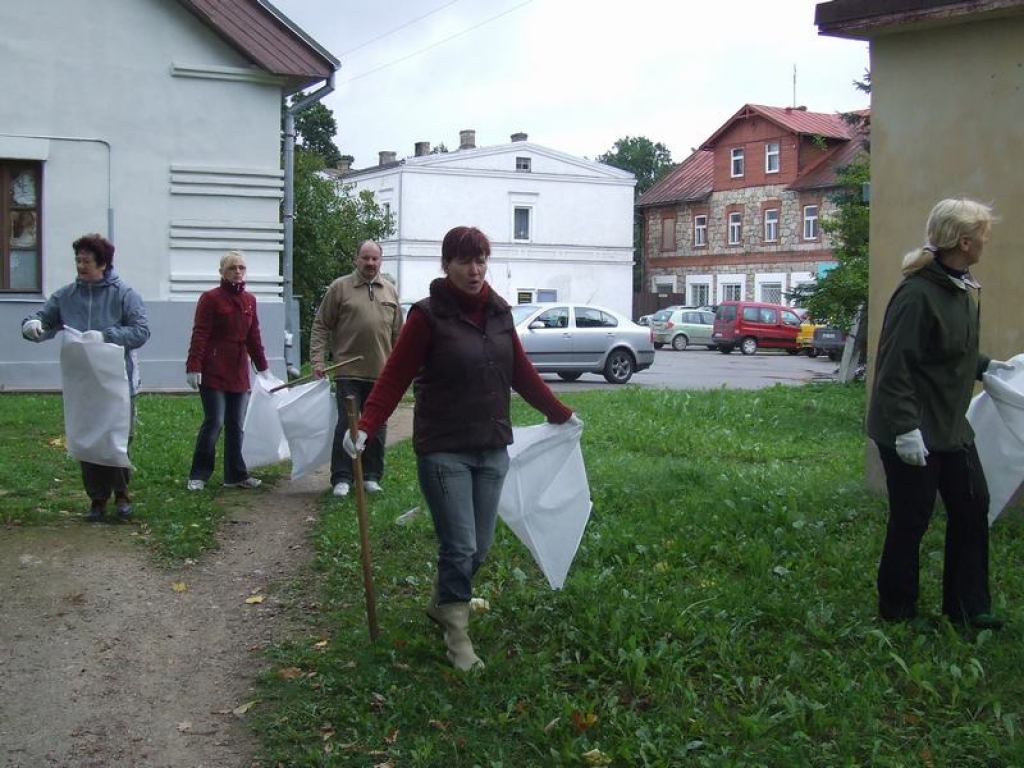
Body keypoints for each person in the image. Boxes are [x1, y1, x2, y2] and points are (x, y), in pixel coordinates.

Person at [344, 225, 579, 670]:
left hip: (491, 447)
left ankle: (443, 601)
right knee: (459, 545)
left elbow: (520, 372)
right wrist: (367, 425)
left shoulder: (499, 312)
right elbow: (394, 376)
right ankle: (457, 634)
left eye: (481, 260)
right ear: (446, 265)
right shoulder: (427, 317)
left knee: (480, 546)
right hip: (443, 449)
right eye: (465, 261)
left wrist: (559, 413)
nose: (475, 270)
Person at [866, 198, 1014, 630]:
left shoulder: (961, 288)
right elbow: (894, 369)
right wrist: (905, 430)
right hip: (910, 427)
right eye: (983, 234)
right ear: (964, 242)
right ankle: (898, 611)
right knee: (912, 517)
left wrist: (988, 367)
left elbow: (948, 352)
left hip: (950, 426)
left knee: (973, 506)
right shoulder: (917, 294)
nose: (987, 240)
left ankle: (968, 608)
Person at [21, 233, 150, 521]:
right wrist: (32, 326)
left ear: (103, 264)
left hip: (118, 380)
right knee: (88, 438)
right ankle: (97, 499)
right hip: (83, 381)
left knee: (116, 436)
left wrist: (106, 336)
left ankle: (122, 495)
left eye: (86, 261)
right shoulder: (66, 296)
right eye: (78, 260)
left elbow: (141, 331)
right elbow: (44, 320)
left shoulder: (124, 294)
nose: (80, 266)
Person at [309, 240, 403, 498]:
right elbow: (321, 325)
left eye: (375, 259)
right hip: (348, 371)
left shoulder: (390, 291)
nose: (370, 263)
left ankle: (371, 476)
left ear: (380, 261)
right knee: (347, 424)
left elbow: (399, 335)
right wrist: (318, 360)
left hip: (381, 374)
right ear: (356, 259)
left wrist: (400, 370)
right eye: (366, 258)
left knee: (377, 425)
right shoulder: (340, 288)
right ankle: (342, 477)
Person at [185, 250, 271, 491]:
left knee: (236, 424)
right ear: (222, 272)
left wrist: (263, 367)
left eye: (242, 267)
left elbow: (253, 336)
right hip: (213, 368)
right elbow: (200, 333)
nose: (238, 272)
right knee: (214, 421)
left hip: (238, 370)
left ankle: (236, 474)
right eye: (232, 267)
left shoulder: (249, 301)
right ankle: (199, 474)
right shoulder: (210, 298)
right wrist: (194, 365)